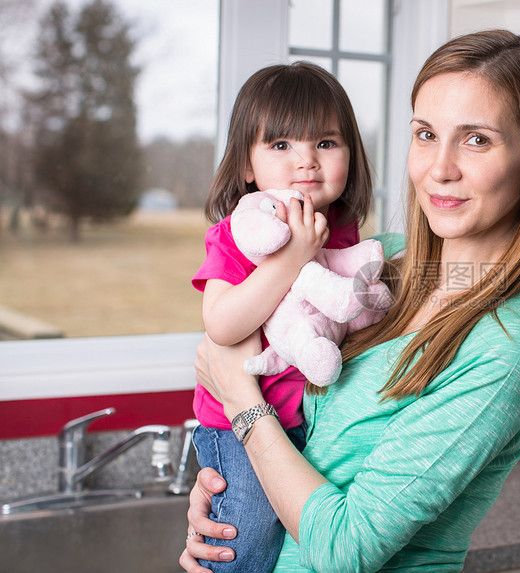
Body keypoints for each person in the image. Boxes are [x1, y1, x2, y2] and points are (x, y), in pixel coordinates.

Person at [181, 29, 520, 573]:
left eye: (477, 139)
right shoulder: (379, 262)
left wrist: (244, 405)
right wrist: (228, 502)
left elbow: (346, 550)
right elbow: (291, 426)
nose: (441, 168)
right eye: (427, 134)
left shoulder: (509, 342)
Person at [189, 62, 373, 573]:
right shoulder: (240, 233)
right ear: (247, 165)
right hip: (238, 426)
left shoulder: (343, 229)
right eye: (281, 146)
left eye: (327, 143)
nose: (306, 162)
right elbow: (222, 327)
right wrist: (293, 257)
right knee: (244, 549)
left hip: (307, 420)